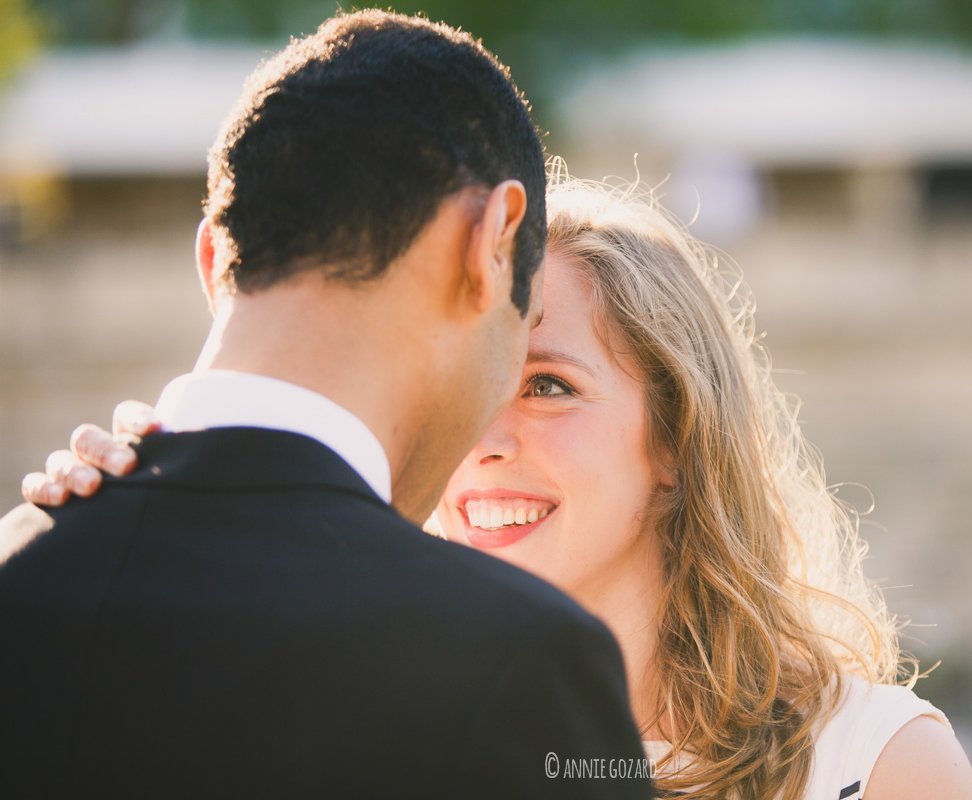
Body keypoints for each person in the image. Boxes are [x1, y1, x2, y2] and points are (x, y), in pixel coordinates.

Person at [27, 169, 972, 799]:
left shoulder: (875, 766)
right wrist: (128, 525)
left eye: (548, 387)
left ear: (680, 439)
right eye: (472, 391)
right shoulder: (363, 732)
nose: (481, 440)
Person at [0, 12, 653, 800]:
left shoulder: (22, 572)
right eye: (526, 328)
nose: (491, 432)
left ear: (212, 262)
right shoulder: (515, 662)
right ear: (489, 243)